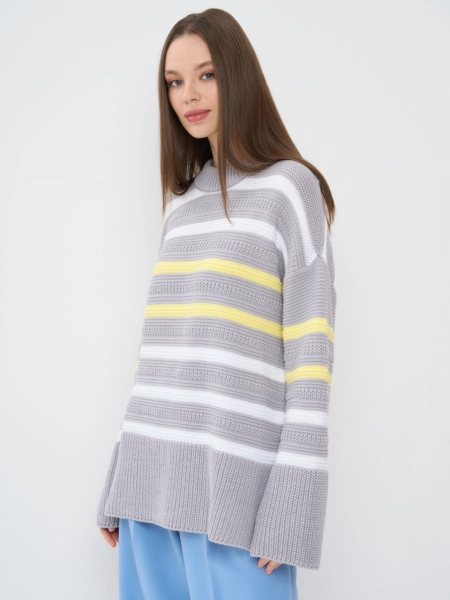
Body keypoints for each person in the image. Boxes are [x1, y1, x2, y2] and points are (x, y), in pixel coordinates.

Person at [97, 8, 337, 599]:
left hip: (238, 500)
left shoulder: (291, 189)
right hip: (149, 491)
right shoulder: (181, 204)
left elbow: (311, 357)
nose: (188, 96)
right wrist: (120, 473)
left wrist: (294, 501)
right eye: (174, 82)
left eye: (206, 75)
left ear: (238, 75)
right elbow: (159, 354)